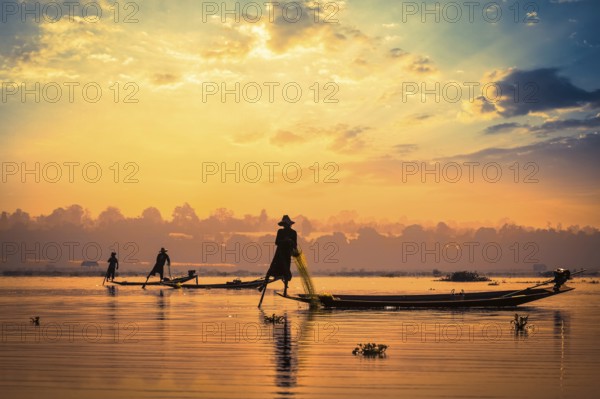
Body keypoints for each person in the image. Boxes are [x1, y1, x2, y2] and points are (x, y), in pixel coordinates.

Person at [260, 215, 298, 296]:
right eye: (284, 224)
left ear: (289, 224)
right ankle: (263, 285)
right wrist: (285, 240)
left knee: (286, 271)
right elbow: (277, 242)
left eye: (287, 224)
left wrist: (291, 242)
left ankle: (285, 291)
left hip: (287, 254)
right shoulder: (280, 231)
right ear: (283, 224)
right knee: (271, 269)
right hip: (279, 254)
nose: (285, 226)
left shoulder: (293, 233)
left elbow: (295, 245)